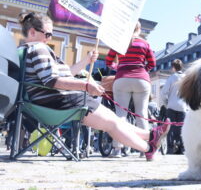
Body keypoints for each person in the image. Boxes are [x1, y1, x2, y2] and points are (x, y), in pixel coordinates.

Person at [18, 12, 168, 161]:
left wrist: (87, 60)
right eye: (48, 34)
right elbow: (52, 81)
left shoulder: (30, 49)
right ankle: (149, 147)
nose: (49, 38)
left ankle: (151, 136)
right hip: (58, 102)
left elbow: (65, 74)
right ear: (32, 32)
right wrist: (86, 86)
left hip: (53, 101)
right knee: (112, 123)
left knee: (114, 120)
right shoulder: (38, 48)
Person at [105, 21, 156, 158]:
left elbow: (108, 61)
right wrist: (142, 70)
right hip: (142, 80)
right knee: (141, 114)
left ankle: (117, 149)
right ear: (139, 29)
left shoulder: (119, 42)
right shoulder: (144, 43)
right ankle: (145, 149)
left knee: (120, 114)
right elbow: (152, 63)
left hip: (122, 79)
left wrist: (119, 67)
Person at [161, 59, 188, 154]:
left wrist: (166, 103)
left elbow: (163, 93)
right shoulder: (186, 78)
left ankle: (170, 149)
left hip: (171, 105)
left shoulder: (172, 78)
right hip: (183, 106)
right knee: (182, 128)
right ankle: (182, 149)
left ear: (173, 67)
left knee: (170, 128)